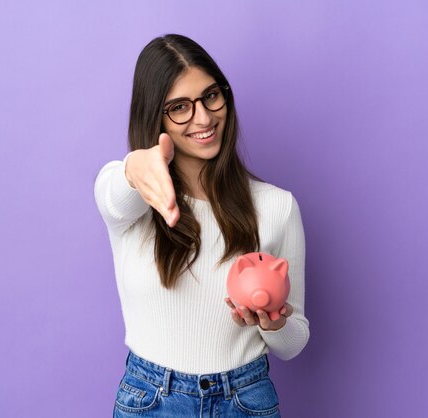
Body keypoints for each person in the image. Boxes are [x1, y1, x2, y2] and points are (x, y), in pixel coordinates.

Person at [94, 34, 309, 417]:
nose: (204, 117)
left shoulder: (277, 206)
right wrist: (135, 166)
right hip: (152, 399)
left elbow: (294, 344)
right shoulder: (133, 200)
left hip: (245, 399)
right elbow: (112, 190)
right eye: (179, 107)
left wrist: (274, 323)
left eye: (211, 95)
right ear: (154, 117)